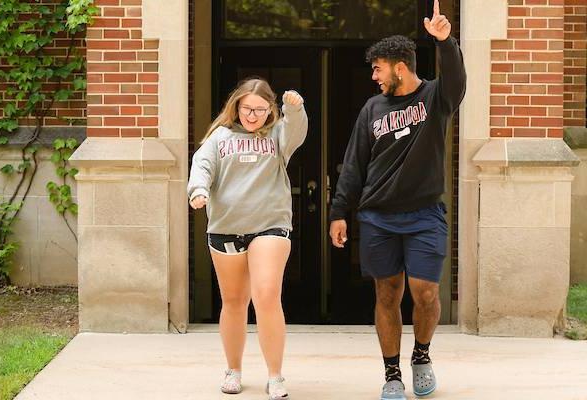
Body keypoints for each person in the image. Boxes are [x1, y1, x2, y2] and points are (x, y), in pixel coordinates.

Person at [328, 1, 466, 399]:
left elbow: (456, 81)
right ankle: (391, 374)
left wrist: (446, 43)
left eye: (378, 69)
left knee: (425, 292)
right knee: (387, 293)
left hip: (424, 215)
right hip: (377, 217)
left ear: (399, 67)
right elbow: (354, 163)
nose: (374, 77)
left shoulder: (436, 100)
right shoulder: (373, 109)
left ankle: (421, 356)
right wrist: (340, 211)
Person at [188, 77, 307, 400]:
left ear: (269, 110)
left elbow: (296, 130)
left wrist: (294, 109)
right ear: (236, 106)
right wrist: (198, 190)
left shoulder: (278, 136)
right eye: (246, 109)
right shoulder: (219, 137)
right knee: (234, 301)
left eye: (259, 109)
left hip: (270, 225)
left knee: (266, 294)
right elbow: (203, 166)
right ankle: (233, 370)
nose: (252, 116)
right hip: (226, 227)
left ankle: (275, 375)